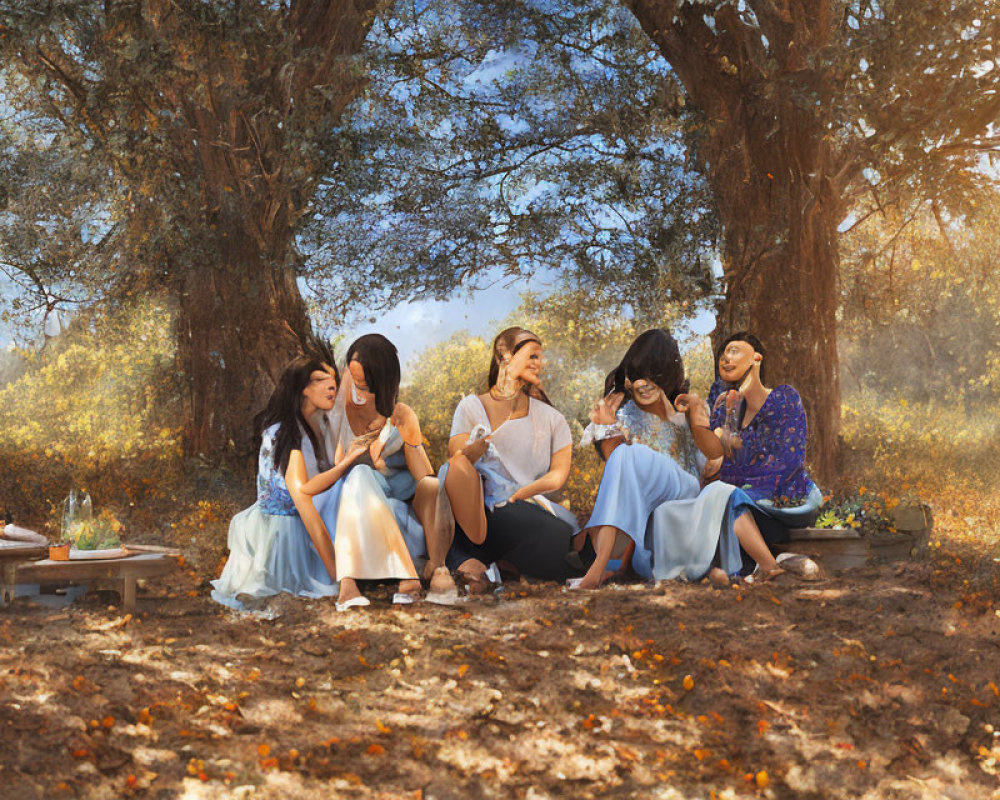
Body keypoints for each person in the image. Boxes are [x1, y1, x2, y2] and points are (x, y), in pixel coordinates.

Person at [573, 329, 785, 590]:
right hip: (655, 522)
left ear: (669, 377)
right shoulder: (625, 414)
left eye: (654, 375)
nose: (645, 384)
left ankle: (770, 567)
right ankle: (600, 564)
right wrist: (607, 427)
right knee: (629, 454)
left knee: (723, 491)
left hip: (689, 503)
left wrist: (698, 423)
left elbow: (711, 464)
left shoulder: (686, 414)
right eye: (639, 376)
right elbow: (618, 474)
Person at [211, 350, 368, 612]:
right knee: (345, 485)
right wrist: (342, 581)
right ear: (303, 388)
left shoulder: (306, 426)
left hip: (283, 520)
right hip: (284, 534)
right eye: (320, 379)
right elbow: (304, 499)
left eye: (333, 379)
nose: (332, 385)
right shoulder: (288, 433)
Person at [322, 333, 456, 609]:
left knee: (423, 487)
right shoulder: (338, 410)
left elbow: (425, 480)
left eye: (365, 385)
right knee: (358, 476)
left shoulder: (400, 414)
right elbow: (334, 467)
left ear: (383, 382)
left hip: (397, 515)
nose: (357, 391)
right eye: (353, 380)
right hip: (353, 517)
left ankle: (360, 579)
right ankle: (361, 579)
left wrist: (408, 441)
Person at [441, 326, 578, 589]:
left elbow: (558, 475)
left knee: (556, 532)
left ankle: (483, 562)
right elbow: (457, 460)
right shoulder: (471, 406)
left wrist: (523, 493)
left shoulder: (553, 419)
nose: (540, 363)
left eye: (541, 357)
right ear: (503, 356)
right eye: (533, 356)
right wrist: (478, 446)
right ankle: (487, 562)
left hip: (527, 507)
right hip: (480, 509)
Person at [707, 331, 823, 572]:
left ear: (756, 359)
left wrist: (734, 444)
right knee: (722, 500)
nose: (726, 359)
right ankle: (775, 564)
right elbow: (715, 465)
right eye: (722, 355)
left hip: (787, 503)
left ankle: (770, 566)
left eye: (734, 351)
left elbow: (788, 461)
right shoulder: (722, 409)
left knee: (728, 497)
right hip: (746, 507)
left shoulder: (784, 398)